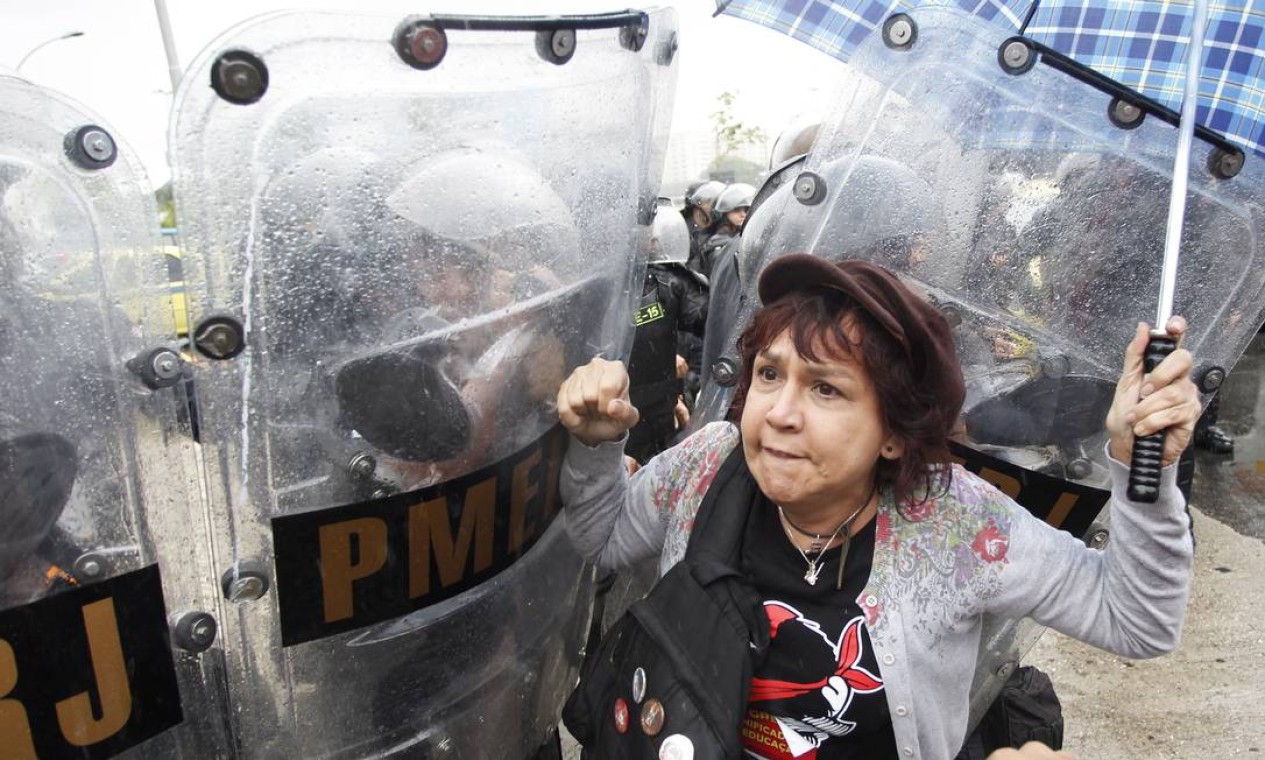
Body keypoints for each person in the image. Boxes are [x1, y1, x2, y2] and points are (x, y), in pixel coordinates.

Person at [556, 253, 1197, 759]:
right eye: (770, 374)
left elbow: (1137, 619)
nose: (778, 413)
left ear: (893, 432)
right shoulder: (707, 464)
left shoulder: (957, 526)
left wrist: (1146, 470)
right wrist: (594, 445)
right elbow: (603, 536)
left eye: (826, 388)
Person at [625, 200, 707, 463]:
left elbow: (702, 319)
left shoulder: (667, 283)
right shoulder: (598, 288)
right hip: (614, 426)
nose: (655, 235)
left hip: (662, 415)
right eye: (644, 228)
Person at [696, 182, 756, 280]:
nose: (743, 214)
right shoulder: (718, 245)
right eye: (736, 210)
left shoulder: (744, 236)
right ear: (724, 214)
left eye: (745, 210)